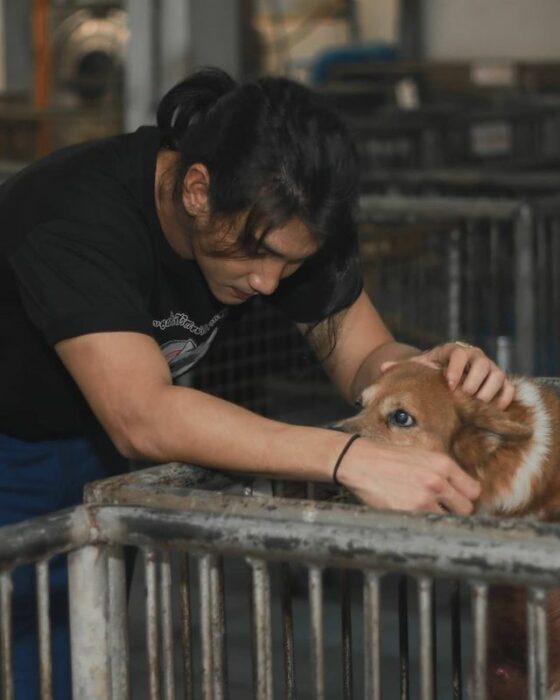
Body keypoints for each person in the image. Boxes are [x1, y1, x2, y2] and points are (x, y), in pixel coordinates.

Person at [0, 67, 512, 698]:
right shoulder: (74, 214)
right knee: (18, 656)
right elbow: (141, 415)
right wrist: (346, 456)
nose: (269, 283)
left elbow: (367, 354)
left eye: (291, 263)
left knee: (84, 646)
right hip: (13, 440)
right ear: (195, 189)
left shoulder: (284, 220)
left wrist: (435, 370)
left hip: (94, 444)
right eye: (260, 256)